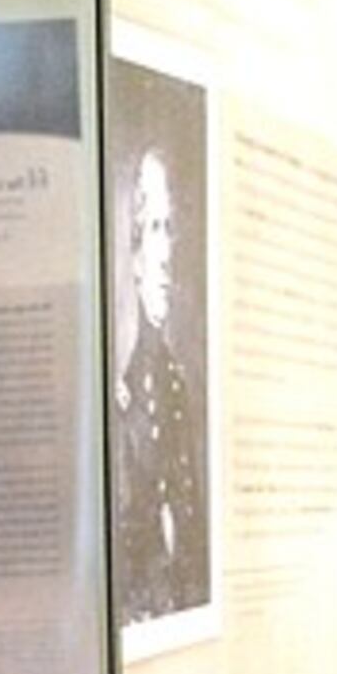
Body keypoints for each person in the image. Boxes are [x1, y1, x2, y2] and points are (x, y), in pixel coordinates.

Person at [110, 138, 206, 621]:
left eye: (169, 228)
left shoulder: (174, 382)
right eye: (151, 229)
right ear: (131, 253)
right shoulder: (122, 397)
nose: (165, 251)